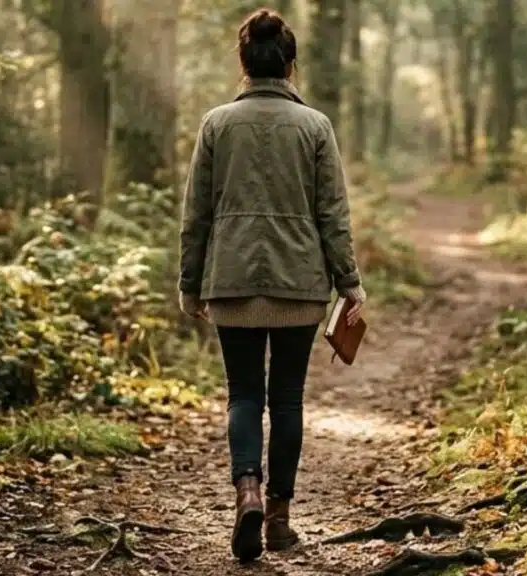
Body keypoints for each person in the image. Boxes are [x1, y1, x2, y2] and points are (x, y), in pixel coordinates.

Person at [177, 7, 366, 562]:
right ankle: (279, 519)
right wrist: (349, 282)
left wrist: (190, 284)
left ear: (244, 62)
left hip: (230, 282)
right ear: (290, 64)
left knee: (242, 395)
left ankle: (247, 493)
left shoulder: (216, 124)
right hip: (299, 285)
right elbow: (332, 213)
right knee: (286, 400)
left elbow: (197, 214)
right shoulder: (315, 126)